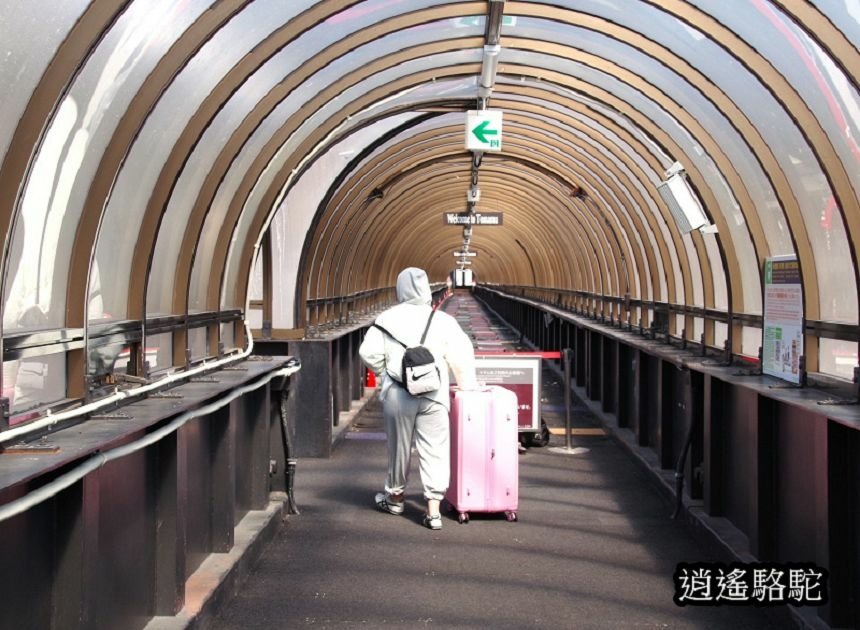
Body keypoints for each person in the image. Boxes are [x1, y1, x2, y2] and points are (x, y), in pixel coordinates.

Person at [359, 267, 478, 530]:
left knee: (399, 448)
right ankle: (433, 510)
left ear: (399, 288)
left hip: (398, 394)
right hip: (434, 394)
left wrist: (386, 372)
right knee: (435, 449)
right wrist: (466, 386)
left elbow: (367, 352)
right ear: (426, 289)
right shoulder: (443, 320)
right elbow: (462, 356)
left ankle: (396, 498)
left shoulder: (386, 319)